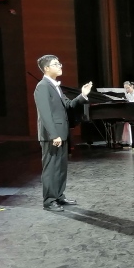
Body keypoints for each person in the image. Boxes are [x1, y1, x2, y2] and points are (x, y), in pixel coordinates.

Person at [33, 54, 92, 212]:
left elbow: (69, 105)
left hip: (61, 133)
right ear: (46, 68)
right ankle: (49, 201)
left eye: (59, 63)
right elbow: (45, 113)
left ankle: (59, 196)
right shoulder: (42, 86)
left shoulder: (55, 86)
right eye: (56, 64)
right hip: (52, 136)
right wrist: (54, 135)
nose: (60, 66)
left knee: (60, 168)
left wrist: (83, 95)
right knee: (51, 168)